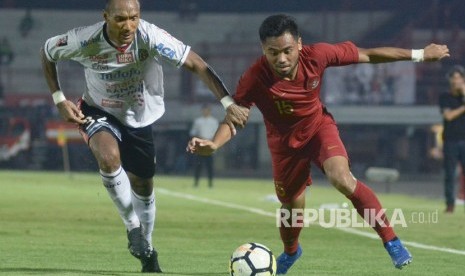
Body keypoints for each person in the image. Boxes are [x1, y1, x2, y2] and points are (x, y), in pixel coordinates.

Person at [187, 14, 449, 274]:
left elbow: (368, 55)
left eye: (287, 51)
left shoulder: (318, 55)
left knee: (342, 179)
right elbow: (235, 117)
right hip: (283, 144)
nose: (281, 59)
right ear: (263, 50)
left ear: (299, 44)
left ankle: (391, 240)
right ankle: (291, 252)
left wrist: (419, 55)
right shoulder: (255, 77)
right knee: (291, 208)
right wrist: (214, 144)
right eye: (273, 52)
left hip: (318, 129)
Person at [40, 0, 248, 273]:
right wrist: (59, 99)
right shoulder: (84, 40)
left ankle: (146, 248)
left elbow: (196, 64)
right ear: (106, 17)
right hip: (98, 110)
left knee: (143, 185)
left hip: (140, 118)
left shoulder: (150, 37)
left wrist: (228, 103)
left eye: (133, 18)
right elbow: (47, 52)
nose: (128, 26)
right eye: (120, 19)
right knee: (108, 157)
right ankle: (132, 227)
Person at [438, 65, 465, 213]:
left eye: (459, 78)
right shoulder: (445, 97)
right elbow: (448, 116)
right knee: (450, 173)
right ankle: (450, 204)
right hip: (451, 141)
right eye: (454, 78)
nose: (456, 81)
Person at [189, 104, 219, 188]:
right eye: (204, 110)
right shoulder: (198, 121)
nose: (205, 111)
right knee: (198, 165)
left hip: (209, 145)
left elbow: (216, 134)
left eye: (207, 110)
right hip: (200, 145)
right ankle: (196, 183)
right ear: (202, 111)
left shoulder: (214, 121)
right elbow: (193, 132)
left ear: (209, 111)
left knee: (210, 166)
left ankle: (210, 183)